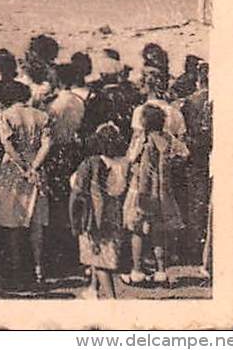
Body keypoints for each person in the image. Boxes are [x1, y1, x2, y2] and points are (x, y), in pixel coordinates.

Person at [0, 81, 51, 285]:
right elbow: (47, 144)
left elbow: (8, 145)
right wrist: (34, 166)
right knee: (36, 222)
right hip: (37, 167)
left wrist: (23, 167)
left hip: (14, 169)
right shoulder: (42, 116)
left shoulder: (6, 116)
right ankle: (39, 267)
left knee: (13, 220)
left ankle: (16, 268)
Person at [122, 103, 187, 287]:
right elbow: (184, 153)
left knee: (137, 230)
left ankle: (137, 271)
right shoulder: (168, 138)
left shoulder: (141, 139)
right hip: (162, 192)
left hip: (141, 191)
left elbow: (130, 158)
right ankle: (161, 271)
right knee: (159, 231)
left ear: (144, 121)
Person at [69, 122, 130, 299]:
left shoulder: (91, 163)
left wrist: (74, 220)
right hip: (115, 210)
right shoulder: (123, 163)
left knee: (99, 256)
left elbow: (77, 187)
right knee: (102, 253)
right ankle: (93, 289)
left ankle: (112, 299)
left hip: (95, 213)